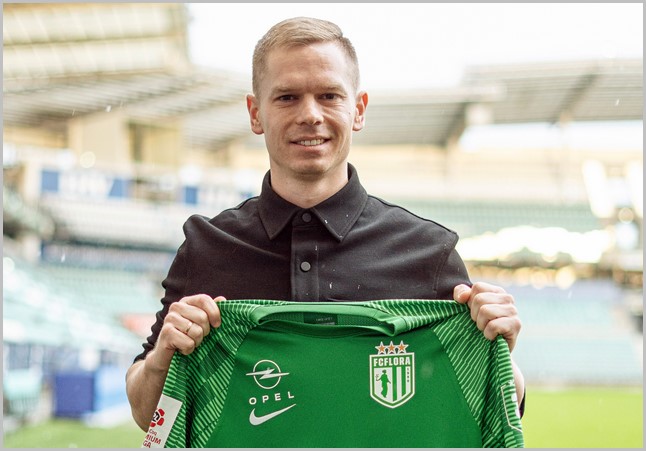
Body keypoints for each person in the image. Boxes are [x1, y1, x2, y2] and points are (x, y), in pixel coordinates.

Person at [126, 16, 525, 432]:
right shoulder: (207, 246)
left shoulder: (428, 251)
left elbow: (495, 412)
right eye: (287, 97)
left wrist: (499, 350)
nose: (310, 115)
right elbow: (146, 415)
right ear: (255, 113)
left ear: (358, 110)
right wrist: (162, 359)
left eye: (329, 95)